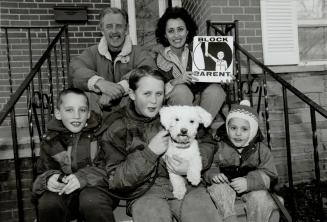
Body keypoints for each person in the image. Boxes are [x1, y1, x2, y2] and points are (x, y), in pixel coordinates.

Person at [100, 65, 223, 222]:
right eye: (147, 94)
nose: (153, 101)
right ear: (131, 94)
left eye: (159, 94)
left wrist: (194, 163)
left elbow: (207, 142)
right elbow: (115, 179)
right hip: (144, 194)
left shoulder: (175, 115)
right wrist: (149, 153)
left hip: (188, 187)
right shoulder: (117, 126)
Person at [32, 88, 118, 222]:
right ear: (58, 114)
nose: (76, 116)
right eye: (69, 110)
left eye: (82, 110)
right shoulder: (51, 141)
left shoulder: (102, 135)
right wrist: (49, 180)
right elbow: (42, 173)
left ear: (88, 114)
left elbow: (113, 170)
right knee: (48, 202)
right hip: (67, 195)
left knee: (90, 199)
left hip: (98, 191)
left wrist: (83, 177)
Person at [69, 7, 157, 117]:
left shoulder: (138, 52)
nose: (114, 31)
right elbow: (75, 70)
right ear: (102, 30)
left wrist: (118, 89)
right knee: (82, 97)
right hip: (98, 110)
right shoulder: (92, 52)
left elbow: (149, 69)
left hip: (129, 114)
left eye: (119, 26)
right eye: (109, 26)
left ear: (126, 29)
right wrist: (100, 83)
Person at [205, 100, 280, 222]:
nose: (238, 133)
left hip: (252, 188)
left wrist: (249, 182)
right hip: (226, 187)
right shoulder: (219, 147)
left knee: (261, 197)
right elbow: (208, 167)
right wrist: (213, 175)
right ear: (227, 128)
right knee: (219, 189)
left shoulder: (261, 149)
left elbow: (271, 174)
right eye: (233, 128)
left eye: (244, 129)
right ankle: (229, 218)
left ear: (253, 130)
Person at [155, 7, 226, 120]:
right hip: (172, 110)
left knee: (216, 90)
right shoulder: (157, 58)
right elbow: (154, 91)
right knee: (181, 91)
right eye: (171, 31)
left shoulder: (199, 52)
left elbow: (207, 82)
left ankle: (199, 130)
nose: (176, 35)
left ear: (187, 32)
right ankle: (184, 133)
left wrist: (223, 76)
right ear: (165, 35)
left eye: (180, 29)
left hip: (198, 106)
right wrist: (175, 82)